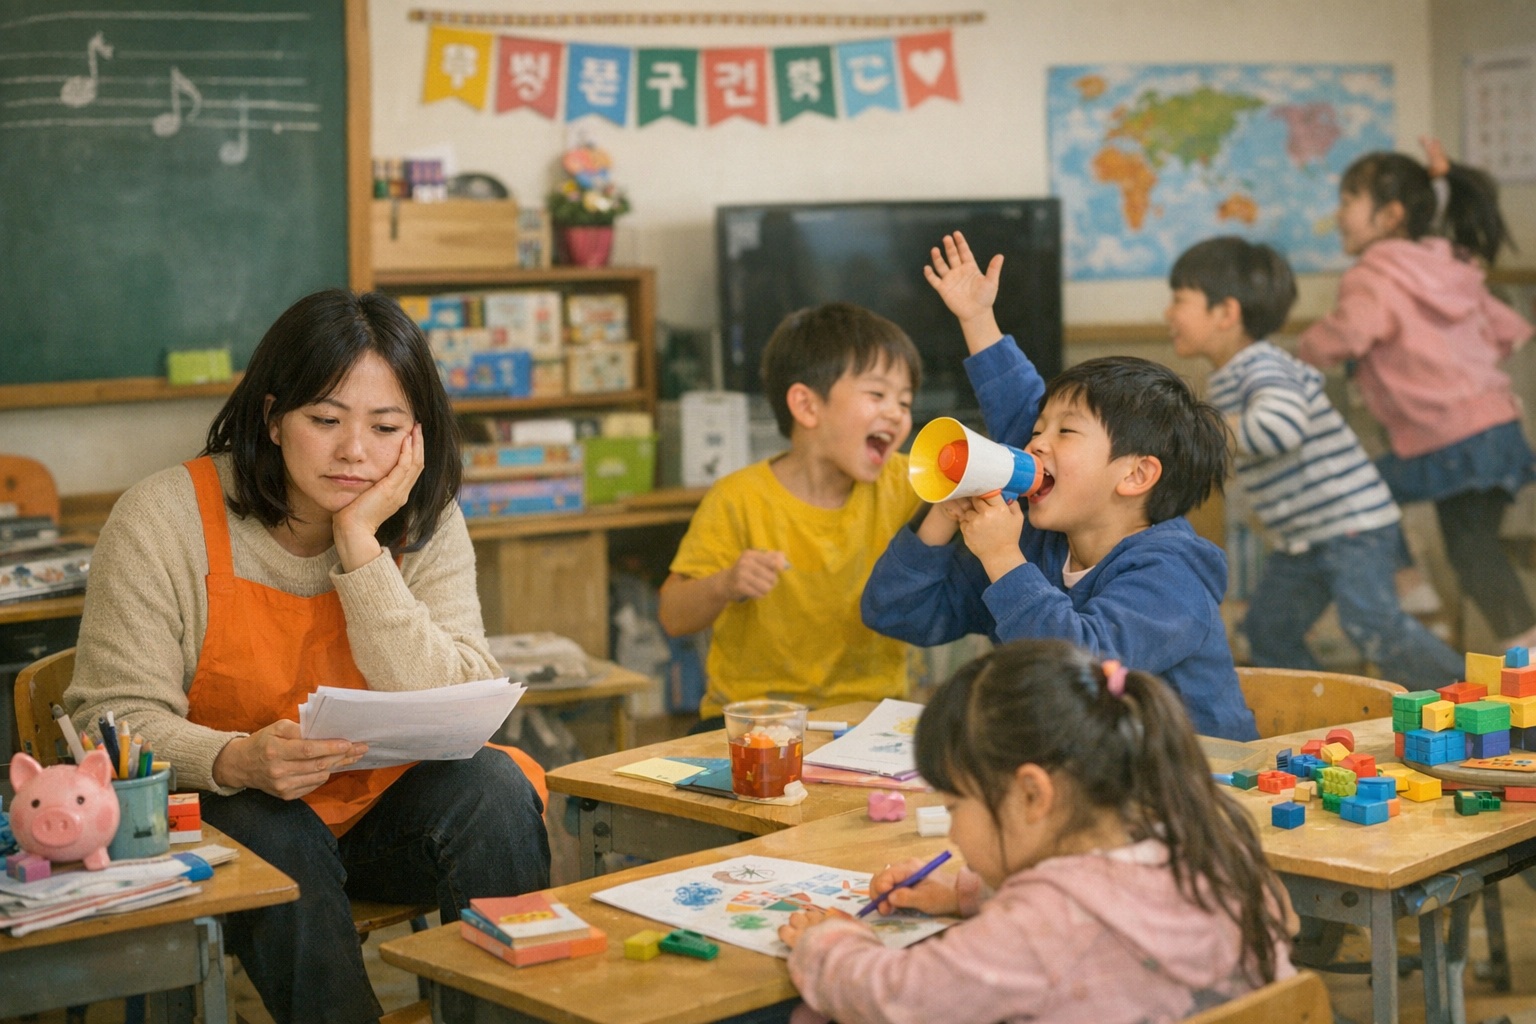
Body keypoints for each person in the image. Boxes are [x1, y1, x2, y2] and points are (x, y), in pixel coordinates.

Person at [66, 289, 550, 1024]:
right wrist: (235, 759)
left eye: (384, 426)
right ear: (272, 418)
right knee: (274, 823)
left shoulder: (424, 517)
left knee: (494, 788)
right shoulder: (163, 518)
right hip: (225, 820)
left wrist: (361, 548)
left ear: (414, 438)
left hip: (377, 813)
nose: (355, 451)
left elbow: (462, 692)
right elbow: (111, 716)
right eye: (325, 420)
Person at [863, 232, 1256, 740]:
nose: (1036, 445)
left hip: (1190, 790)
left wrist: (1004, 560)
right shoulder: (1036, 548)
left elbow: (1084, 674)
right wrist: (943, 510)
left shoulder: (1172, 577)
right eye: (1036, 432)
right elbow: (892, 611)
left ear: (1135, 475)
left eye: (1065, 432)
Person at [777, 639, 1296, 1024]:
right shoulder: (1210, 848)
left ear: (1031, 795)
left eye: (956, 805)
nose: (953, 834)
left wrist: (831, 941)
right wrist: (964, 897)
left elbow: (893, 996)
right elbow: (1095, 930)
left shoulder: (1039, 927)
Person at [1167, 236, 1464, 689]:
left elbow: (1282, 426)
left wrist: (1204, 428)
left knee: (1374, 625)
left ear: (1226, 313)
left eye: (1179, 301)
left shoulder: (1261, 365)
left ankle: (1471, 700)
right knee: (1268, 630)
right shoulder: (1229, 375)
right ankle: (1320, 715)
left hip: (1351, 526)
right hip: (1303, 541)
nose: (1169, 314)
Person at [1297, 139, 1536, 649]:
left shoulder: (1372, 275)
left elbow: (1352, 333)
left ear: (1390, 216)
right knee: (1473, 549)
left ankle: (1413, 586)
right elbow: (1503, 332)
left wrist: (1304, 349)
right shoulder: (1450, 264)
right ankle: (1519, 645)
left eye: (1347, 201)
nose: (1338, 214)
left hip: (1450, 441)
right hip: (1501, 430)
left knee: (1361, 484)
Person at [658, 302, 923, 724]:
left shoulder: (910, 483)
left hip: (872, 720)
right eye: (877, 394)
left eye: (905, 402)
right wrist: (726, 582)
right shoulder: (738, 497)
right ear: (806, 405)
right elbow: (673, 616)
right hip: (752, 721)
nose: (897, 413)